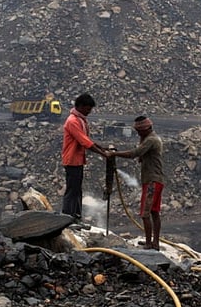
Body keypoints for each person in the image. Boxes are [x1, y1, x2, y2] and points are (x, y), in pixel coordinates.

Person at [108, 116, 165, 250]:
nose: (138, 134)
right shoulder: (151, 138)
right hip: (156, 180)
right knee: (154, 212)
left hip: (152, 181)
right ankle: (154, 242)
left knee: (146, 213)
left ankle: (149, 243)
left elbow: (134, 153)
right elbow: (141, 153)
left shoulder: (151, 140)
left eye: (139, 131)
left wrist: (114, 154)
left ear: (146, 129)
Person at [61, 93, 107, 222]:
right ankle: (68, 217)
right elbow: (84, 141)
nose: (89, 112)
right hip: (72, 160)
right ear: (81, 106)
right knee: (72, 190)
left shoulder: (79, 120)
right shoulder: (73, 121)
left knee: (76, 189)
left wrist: (102, 148)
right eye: (88, 109)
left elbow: (86, 139)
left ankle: (75, 216)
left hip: (77, 160)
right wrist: (102, 153)